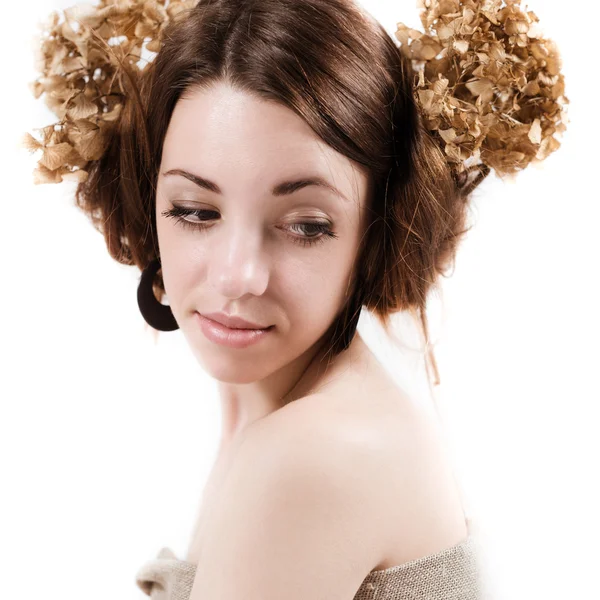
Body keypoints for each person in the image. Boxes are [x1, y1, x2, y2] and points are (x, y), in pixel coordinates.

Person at [24, 0, 568, 598]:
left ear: (377, 229)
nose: (238, 276)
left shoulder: (314, 455)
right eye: (195, 211)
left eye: (306, 225)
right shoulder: (281, 422)